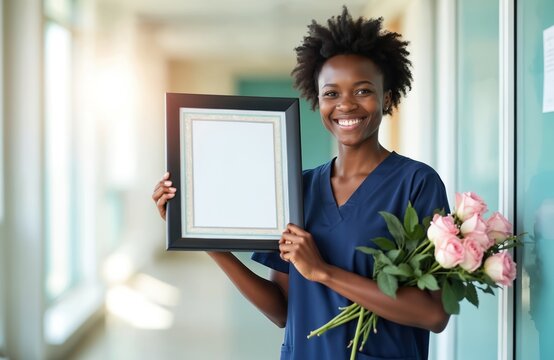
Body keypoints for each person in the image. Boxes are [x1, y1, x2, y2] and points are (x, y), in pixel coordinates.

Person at [152, 7, 450, 360]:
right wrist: (200, 235)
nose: (346, 105)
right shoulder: (300, 189)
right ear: (317, 101)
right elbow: (281, 310)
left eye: (363, 90)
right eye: (331, 93)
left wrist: (323, 272)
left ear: (387, 98)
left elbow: (432, 314)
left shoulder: (416, 183)